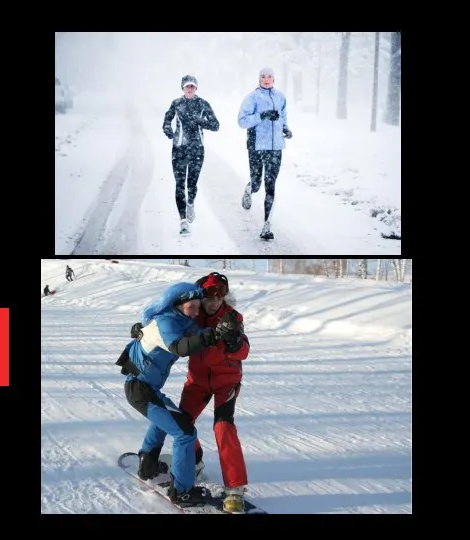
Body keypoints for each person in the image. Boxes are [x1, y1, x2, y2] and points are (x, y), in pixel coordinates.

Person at [116, 281, 220, 507]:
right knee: (185, 433)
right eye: (190, 306)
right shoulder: (167, 321)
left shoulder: (180, 321)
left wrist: (220, 333)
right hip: (140, 390)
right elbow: (180, 347)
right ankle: (182, 492)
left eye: (196, 306)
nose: (194, 311)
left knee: (170, 419)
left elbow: (197, 335)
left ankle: (148, 462)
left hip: (147, 389)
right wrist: (209, 336)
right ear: (177, 305)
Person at [179, 271, 250, 514]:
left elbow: (244, 352)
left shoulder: (232, 317)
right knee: (182, 423)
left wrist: (235, 344)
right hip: (197, 381)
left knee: (223, 426)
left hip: (225, 381)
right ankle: (195, 462)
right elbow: (167, 327)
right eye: (209, 297)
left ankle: (235, 489)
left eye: (219, 297)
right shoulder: (192, 316)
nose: (214, 302)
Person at [237, 67, 293, 240]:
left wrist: (285, 129)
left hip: (275, 148)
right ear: (259, 79)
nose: (266, 79)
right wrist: (262, 115)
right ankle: (249, 189)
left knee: (270, 186)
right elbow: (242, 121)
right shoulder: (252, 97)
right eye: (263, 76)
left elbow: (282, 116)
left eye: (270, 76)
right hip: (256, 145)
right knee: (257, 183)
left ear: (274, 79)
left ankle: (267, 226)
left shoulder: (280, 97)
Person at [162, 75, 220, 234]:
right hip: (179, 148)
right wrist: (168, 130)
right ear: (182, 88)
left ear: (196, 88)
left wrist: (201, 120)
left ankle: (190, 204)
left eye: (192, 86)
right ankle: (183, 221)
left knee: (191, 184)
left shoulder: (202, 104)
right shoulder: (176, 103)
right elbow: (167, 120)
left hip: (197, 149)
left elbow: (216, 125)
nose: (189, 89)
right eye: (187, 86)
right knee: (180, 185)